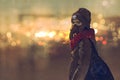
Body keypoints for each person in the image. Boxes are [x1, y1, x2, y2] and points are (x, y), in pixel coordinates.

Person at [69, 8, 114, 80]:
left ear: (85, 24)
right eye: (73, 22)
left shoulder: (84, 41)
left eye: (78, 22)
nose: (75, 26)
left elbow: (83, 66)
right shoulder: (84, 38)